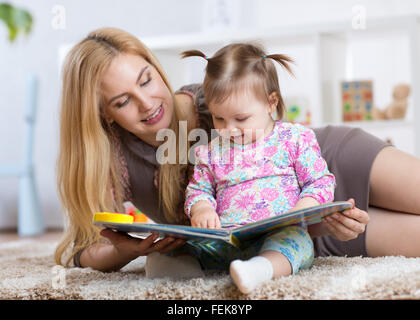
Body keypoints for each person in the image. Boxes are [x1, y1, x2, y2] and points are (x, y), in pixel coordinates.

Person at [54, 27, 420, 274]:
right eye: (122, 101)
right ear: (102, 114)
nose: (147, 103)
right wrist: (126, 250)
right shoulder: (110, 161)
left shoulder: (211, 98)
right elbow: (80, 252)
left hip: (329, 160)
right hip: (298, 234)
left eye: (147, 79)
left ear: (155, 67)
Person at [177, 44, 336, 293]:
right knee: (188, 244)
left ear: (271, 102)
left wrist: (302, 209)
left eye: (240, 119)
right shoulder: (210, 152)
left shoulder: (294, 139)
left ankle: (260, 270)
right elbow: (198, 190)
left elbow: (320, 182)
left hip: (278, 236)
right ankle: (175, 266)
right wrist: (202, 208)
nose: (228, 129)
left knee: (298, 243)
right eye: (219, 118)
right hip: (227, 240)